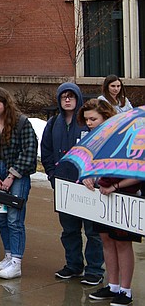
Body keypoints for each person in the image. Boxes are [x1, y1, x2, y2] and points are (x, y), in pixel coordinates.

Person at [41, 82, 104, 285]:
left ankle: (94, 269)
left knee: (93, 232)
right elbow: (47, 151)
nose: (67, 100)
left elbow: (99, 153)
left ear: (78, 98)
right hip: (64, 186)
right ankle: (73, 265)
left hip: (88, 186)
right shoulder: (53, 123)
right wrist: (52, 175)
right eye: (63, 96)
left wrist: (94, 177)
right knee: (69, 230)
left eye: (71, 96)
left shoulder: (88, 122)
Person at [81, 99, 140, 306]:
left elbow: (139, 171)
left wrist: (115, 187)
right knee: (106, 240)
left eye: (93, 119)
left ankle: (126, 290)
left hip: (124, 196)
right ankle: (112, 285)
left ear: (106, 117)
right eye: (87, 119)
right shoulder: (95, 140)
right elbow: (92, 165)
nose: (89, 123)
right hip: (102, 196)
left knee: (123, 243)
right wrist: (89, 177)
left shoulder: (126, 137)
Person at [0, 88, 37, 280]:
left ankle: (16, 262)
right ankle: (8, 254)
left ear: (5, 103)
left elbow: (29, 152)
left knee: (15, 219)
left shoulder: (22, 123)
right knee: (2, 217)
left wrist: (11, 176)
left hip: (18, 174)